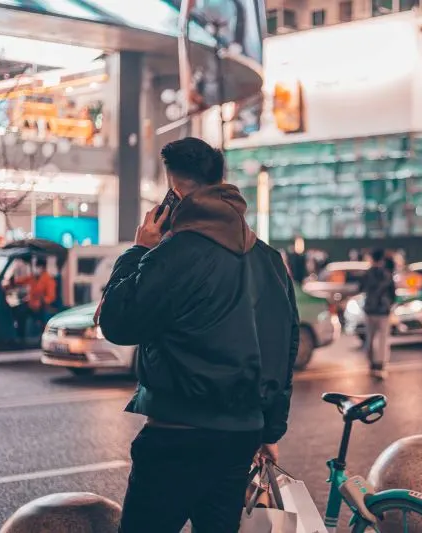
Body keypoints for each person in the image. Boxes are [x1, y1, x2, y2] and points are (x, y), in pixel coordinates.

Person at [97, 137, 298, 533]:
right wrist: (270, 429)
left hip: (177, 435)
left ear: (174, 193)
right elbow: (283, 349)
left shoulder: (173, 256)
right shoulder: (270, 261)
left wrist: (138, 251)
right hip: (241, 436)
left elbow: (117, 323)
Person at [360, 249, 396, 380]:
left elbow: (361, 288)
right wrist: (389, 304)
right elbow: (393, 293)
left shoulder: (367, 273)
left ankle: (371, 364)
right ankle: (380, 365)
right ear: (381, 259)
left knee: (370, 338)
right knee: (383, 339)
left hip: (370, 309)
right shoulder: (387, 274)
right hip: (383, 311)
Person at [11, 258, 56, 339]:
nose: (37, 268)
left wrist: (42, 301)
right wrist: (13, 282)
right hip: (31, 305)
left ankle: (39, 337)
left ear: (43, 267)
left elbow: (51, 297)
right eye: (36, 266)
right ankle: (20, 337)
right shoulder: (33, 278)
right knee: (18, 311)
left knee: (26, 314)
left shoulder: (48, 279)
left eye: (39, 266)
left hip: (41, 307)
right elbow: (22, 281)